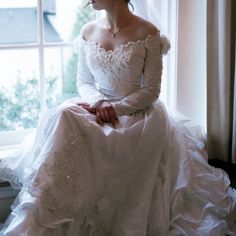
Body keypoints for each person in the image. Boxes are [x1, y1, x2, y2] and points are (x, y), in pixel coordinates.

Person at [0, 0, 236, 235]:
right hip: (97, 106)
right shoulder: (88, 31)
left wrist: (117, 109)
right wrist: (99, 103)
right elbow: (83, 81)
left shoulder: (148, 33)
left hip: (136, 116)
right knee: (62, 115)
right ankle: (47, 213)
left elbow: (151, 90)